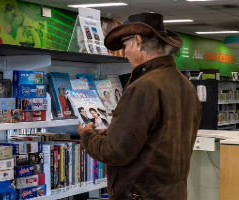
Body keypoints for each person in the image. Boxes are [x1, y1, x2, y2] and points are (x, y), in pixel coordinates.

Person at [78, 12, 202, 200]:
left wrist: (86, 135)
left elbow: (116, 152)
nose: (124, 52)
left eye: (125, 45)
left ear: (137, 41)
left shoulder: (143, 87)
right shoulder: (187, 86)